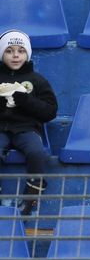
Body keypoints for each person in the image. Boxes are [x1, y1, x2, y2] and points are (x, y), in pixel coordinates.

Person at [0, 30, 57, 216]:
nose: (15, 55)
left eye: (21, 51)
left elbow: (50, 111)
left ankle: (31, 194)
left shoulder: (37, 80)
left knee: (36, 152)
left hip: (27, 129)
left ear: (27, 54)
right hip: (1, 129)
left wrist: (25, 100)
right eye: (9, 51)